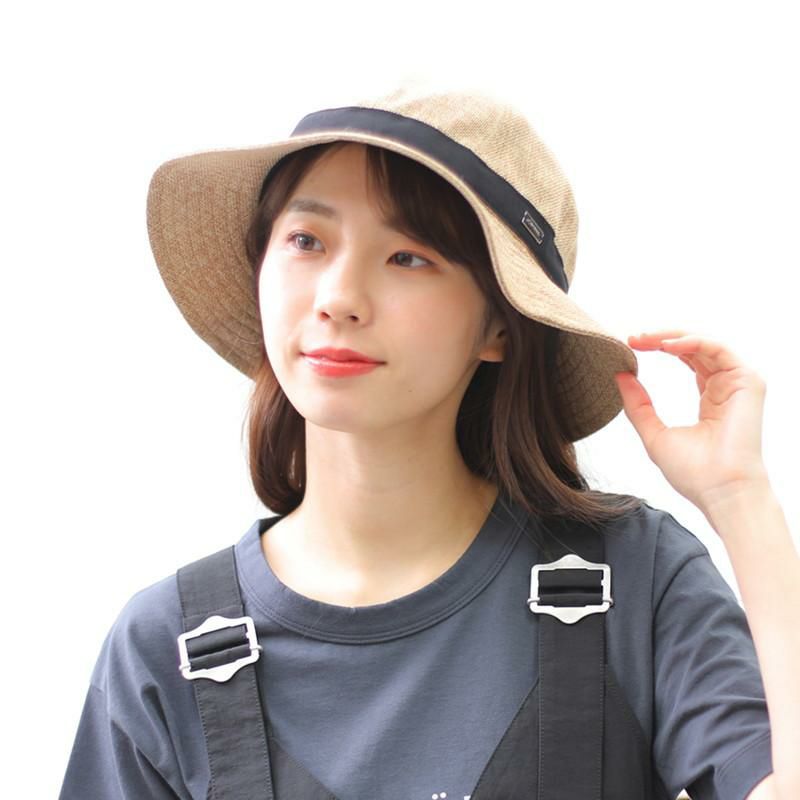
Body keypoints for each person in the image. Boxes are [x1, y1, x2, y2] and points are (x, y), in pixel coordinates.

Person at [58, 78, 797, 800]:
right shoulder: (162, 650)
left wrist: (742, 502)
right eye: (307, 240)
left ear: (499, 326)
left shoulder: (636, 579)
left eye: (408, 257)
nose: (338, 298)